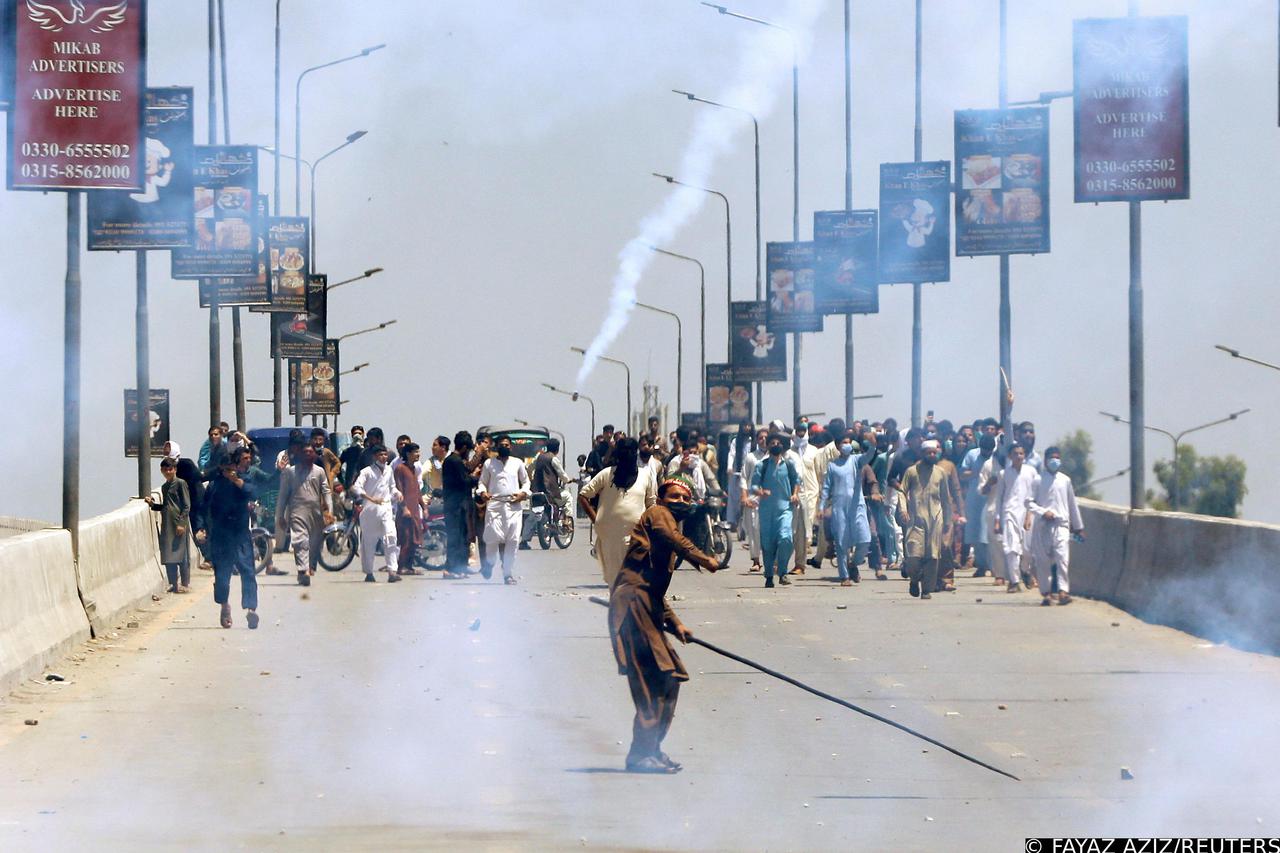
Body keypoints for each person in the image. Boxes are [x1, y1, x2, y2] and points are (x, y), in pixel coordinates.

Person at [608, 475, 721, 773]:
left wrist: (676, 623)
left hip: (648, 606)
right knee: (651, 681)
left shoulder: (668, 525)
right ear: (661, 498)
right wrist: (703, 558)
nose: (680, 502)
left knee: (670, 679)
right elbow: (672, 540)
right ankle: (639, 754)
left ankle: (652, 749)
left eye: (686, 498)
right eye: (674, 497)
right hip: (632, 607)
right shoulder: (658, 515)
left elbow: (654, 589)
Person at [196, 449, 260, 629]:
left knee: (247, 570)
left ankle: (251, 609)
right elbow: (203, 507)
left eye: (230, 468)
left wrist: (236, 481)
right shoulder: (214, 485)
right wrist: (201, 527)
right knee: (222, 575)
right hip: (221, 535)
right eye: (225, 469)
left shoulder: (243, 480)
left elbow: (253, 493)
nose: (228, 472)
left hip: (240, 534)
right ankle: (224, 606)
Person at [580, 437, 657, 585]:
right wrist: (595, 518)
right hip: (609, 536)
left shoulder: (645, 476)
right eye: (624, 452)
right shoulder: (606, 474)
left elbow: (651, 504)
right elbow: (584, 495)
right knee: (615, 580)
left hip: (637, 535)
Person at [1027, 447, 1085, 606]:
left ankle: (1063, 591)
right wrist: (1042, 512)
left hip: (1061, 526)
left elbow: (1072, 504)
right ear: (1045, 460)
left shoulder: (1065, 480)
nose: (1055, 460)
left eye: (1057, 457)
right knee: (1043, 561)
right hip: (1043, 526)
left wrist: (1078, 526)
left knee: (1062, 559)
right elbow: (1029, 502)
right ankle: (1046, 593)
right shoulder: (1038, 480)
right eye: (1052, 457)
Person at [898, 439, 953, 601]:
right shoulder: (911, 471)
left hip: (936, 519)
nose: (931, 455)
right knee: (913, 556)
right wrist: (903, 509)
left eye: (934, 453)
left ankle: (926, 589)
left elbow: (946, 498)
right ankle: (914, 580)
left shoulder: (941, 473)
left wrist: (948, 521)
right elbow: (902, 491)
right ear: (922, 454)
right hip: (916, 520)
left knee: (933, 556)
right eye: (928, 453)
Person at [276, 443, 335, 587]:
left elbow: (326, 491)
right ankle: (303, 571)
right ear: (300, 455)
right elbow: (283, 496)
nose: (308, 454)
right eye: (305, 452)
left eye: (311, 452)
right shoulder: (290, 472)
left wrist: (330, 512)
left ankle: (306, 568)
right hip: (297, 509)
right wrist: (280, 516)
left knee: (314, 543)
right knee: (300, 541)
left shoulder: (319, 471)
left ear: (315, 455)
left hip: (315, 512)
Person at [477, 434, 531, 584]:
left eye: (507, 445)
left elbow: (526, 482)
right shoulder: (489, 464)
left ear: (510, 447)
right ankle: (490, 563)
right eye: (501, 445)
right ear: (497, 446)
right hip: (495, 506)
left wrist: (523, 494)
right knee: (492, 538)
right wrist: (483, 492)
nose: (504, 447)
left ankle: (507, 574)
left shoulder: (517, 463)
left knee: (513, 540)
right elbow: (482, 483)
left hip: (514, 506)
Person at [821, 433, 873, 586]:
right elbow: (826, 488)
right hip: (839, 507)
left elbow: (869, 455)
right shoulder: (832, 465)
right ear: (838, 446)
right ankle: (844, 576)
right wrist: (821, 506)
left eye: (849, 442)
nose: (847, 445)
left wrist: (873, 444)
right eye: (844, 442)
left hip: (857, 506)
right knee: (841, 542)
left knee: (865, 540)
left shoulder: (857, 461)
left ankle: (853, 564)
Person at [751, 431, 801, 588]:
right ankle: (769, 576)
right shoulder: (762, 465)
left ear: (782, 445)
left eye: (778, 443)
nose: (775, 445)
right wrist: (760, 492)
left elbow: (797, 481)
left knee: (786, 539)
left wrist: (795, 494)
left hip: (785, 509)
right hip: (766, 512)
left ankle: (783, 572)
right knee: (768, 544)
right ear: (767, 446)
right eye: (772, 443)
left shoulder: (789, 464)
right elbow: (753, 485)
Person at [351, 445, 402, 584]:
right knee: (369, 543)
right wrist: (370, 498)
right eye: (380, 455)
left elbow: (392, 487)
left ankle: (392, 571)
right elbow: (356, 487)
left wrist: (397, 493)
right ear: (374, 457)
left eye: (385, 455)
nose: (383, 457)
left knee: (391, 537)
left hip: (386, 508)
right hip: (370, 510)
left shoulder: (389, 470)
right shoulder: (367, 471)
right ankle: (369, 572)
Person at [994, 443, 1038, 594]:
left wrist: (1030, 515)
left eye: (1021, 453)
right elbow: (999, 497)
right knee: (1011, 548)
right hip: (1009, 513)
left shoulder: (1031, 472)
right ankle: (1014, 581)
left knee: (1027, 550)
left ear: (1024, 455)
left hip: (1027, 513)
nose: (1018, 456)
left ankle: (1025, 571)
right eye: (1015, 454)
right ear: (1010, 456)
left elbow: (1035, 495)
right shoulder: (1004, 474)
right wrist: (997, 519)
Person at [147, 457, 191, 594]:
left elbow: (186, 505)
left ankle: (184, 583)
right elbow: (166, 506)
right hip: (167, 525)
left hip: (178, 524)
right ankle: (173, 583)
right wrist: (153, 505)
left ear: (175, 470)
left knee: (182, 554)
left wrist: (181, 523)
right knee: (168, 556)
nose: (168, 471)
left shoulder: (180, 483)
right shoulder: (165, 487)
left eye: (170, 469)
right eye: (165, 469)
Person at [441, 431, 477, 579]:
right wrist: (476, 478)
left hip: (460, 505)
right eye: (467, 450)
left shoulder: (455, 461)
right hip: (454, 506)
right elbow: (464, 481)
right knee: (455, 537)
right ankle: (450, 569)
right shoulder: (454, 461)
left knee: (463, 537)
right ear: (463, 447)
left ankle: (461, 567)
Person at [963, 433, 996, 577]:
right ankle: (982, 565)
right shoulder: (972, 455)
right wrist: (975, 472)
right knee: (976, 533)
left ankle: (993, 566)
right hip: (975, 499)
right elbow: (962, 473)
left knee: (989, 533)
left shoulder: (997, 457)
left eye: (989, 451)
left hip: (992, 499)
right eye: (984, 450)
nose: (986, 453)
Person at [739, 427, 768, 572]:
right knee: (754, 531)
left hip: (769, 500)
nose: (763, 440)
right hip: (752, 499)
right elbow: (744, 478)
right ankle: (756, 561)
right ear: (757, 440)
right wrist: (744, 497)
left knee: (768, 532)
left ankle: (771, 561)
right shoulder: (751, 457)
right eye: (761, 438)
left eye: (766, 437)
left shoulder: (774, 457)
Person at [394, 442, 426, 575]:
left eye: (418, 451)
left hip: (415, 509)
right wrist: (404, 508)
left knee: (414, 540)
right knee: (406, 540)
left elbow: (417, 490)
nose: (418, 454)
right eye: (415, 452)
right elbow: (399, 490)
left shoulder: (414, 469)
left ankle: (410, 567)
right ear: (408, 454)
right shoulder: (400, 469)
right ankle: (401, 567)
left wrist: (424, 507)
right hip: (405, 510)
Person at [339, 425, 366, 491]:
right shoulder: (347, 451)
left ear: (363, 435)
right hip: (350, 484)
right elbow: (337, 466)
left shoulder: (366, 451)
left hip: (364, 484)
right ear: (352, 435)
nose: (357, 435)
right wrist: (342, 482)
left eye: (359, 433)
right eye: (355, 434)